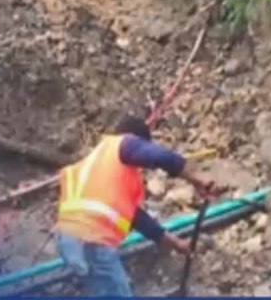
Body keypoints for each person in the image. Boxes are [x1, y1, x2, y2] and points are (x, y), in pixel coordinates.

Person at [53, 112, 218, 297]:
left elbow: (138, 219)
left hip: (68, 240)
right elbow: (163, 157)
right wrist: (198, 181)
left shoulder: (99, 167)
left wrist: (176, 243)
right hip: (91, 239)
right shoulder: (123, 143)